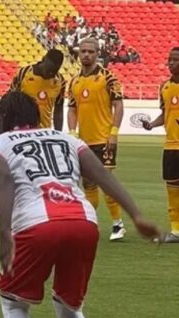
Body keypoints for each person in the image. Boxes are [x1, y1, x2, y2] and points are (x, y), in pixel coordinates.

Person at [0, 91, 159, 318]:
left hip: (36, 225)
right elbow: (101, 174)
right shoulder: (68, 138)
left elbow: (3, 177)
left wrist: (5, 233)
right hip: (83, 222)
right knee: (69, 307)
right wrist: (136, 215)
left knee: (13, 303)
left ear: (2, 118)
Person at [68, 38, 126, 241]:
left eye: (90, 52)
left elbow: (118, 105)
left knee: (106, 182)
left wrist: (114, 133)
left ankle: (118, 224)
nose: (86, 55)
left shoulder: (108, 78)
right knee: (89, 184)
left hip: (104, 139)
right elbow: (72, 109)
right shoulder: (74, 81)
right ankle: (91, 223)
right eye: (83, 51)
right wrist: (72, 132)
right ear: (78, 54)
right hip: (84, 142)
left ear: (97, 53)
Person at [141, 47, 179, 243]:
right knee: (172, 189)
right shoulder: (165, 86)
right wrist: (151, 124)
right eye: (169, 59)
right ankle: (176, 230)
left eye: (175, 59)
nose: (171, 63)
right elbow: (165, 114)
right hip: (171, 146)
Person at [10, 49, 66, 130]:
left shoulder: (60, 81)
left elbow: (59, 109)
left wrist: (58, 132)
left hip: (44, 131)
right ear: (43, 59)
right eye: (49, 70)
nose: (51, 73)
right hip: (22, 130)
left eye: (54, 71)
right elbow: (9, 102)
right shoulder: (24, 73)